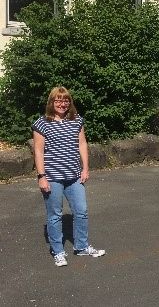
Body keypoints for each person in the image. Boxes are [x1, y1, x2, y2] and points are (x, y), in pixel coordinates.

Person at [32, 86, 106, 267]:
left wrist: (85, 168)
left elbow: (82, 143)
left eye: (65, 100)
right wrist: (41, 176)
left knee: (81, 211)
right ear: (51, 102)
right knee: (55, 215)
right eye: (58, 100)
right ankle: (58, 251)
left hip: (74, 176)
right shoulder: (41, 123)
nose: (62, 104)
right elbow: (39, 151)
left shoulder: (77, 120)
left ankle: (81, 247)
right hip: (52, 177)